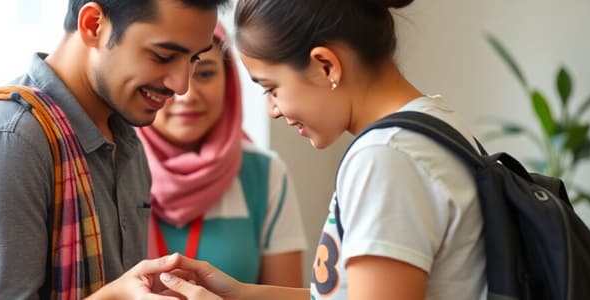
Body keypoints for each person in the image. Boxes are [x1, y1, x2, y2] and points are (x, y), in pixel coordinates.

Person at [154, 0, 488, 299]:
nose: (272, 109)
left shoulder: (386, 156)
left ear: (325, 66)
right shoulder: (429, 127)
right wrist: (241, 295)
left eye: (271, 89)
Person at [0, 0, 228, 299]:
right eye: (163, 56)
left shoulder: (126, 142)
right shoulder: (10, 140)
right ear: (93, 25)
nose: (181, 85)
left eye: (194, 59)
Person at [137, 24, 307, 287]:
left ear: (229, 82)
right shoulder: (114, 166)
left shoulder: (264, 174)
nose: (187, 95)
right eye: (168, 71)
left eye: (204, 73)